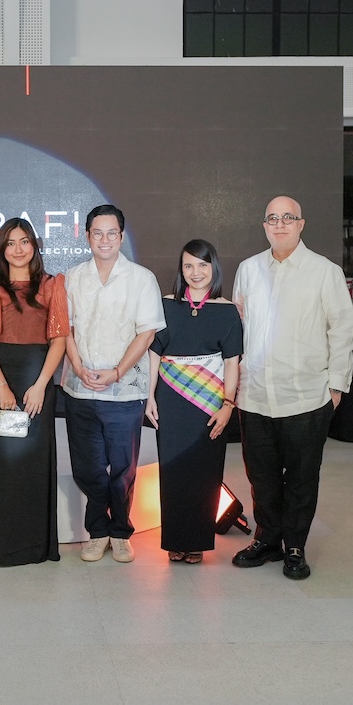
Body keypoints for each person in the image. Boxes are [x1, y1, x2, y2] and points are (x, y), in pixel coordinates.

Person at [231, 195, 353, 580]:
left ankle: (295, 546)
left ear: (301, 224)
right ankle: (268, 539)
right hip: (255, 394)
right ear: (264, 226)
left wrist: (336, 385)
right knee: (261, 476)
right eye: (273, 218)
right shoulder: (249, 269)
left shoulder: (324, 272)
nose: (280, 224)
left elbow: (343, 330)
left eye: (288, 217)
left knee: (302, 477)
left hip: (306, 395)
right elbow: (238, 326)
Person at [0, 218, 69, 565]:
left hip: (38, 384)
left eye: (24, 242)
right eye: (10, 243)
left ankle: (35, 546)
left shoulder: (51, 285)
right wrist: (1, 387)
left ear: (34, 246)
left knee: (34, 463)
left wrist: (41, 385)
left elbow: (59, 340)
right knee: (3, 464)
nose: (18, 249)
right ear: (1, 249)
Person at [61, 204, 165, 563]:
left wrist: (117, 372)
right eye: (97, 233)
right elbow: (65, 329)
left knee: (123, 468)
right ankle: (98, 531)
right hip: (80, 388)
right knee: (87, 467)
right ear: (87, 236)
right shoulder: (72, 278)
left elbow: (146, 333)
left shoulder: (141, 278)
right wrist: (77, 366)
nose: (104, 240)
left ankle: (120, 531)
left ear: (121, 236)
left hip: (125, 391)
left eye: (111, 233)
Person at [145, 240, 242, 564]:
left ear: (214, 267)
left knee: (204, 472)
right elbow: (154, 353)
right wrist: (149, 397)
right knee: (173, 471)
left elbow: (232, 362)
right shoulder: (166, 305)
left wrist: (228, 405)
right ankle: (175, 540)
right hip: (171, 399)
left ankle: (197, 541)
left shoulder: (227, 310)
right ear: (181, 269)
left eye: (202, 265)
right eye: (188, 266)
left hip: (210, 402)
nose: (195, 272)